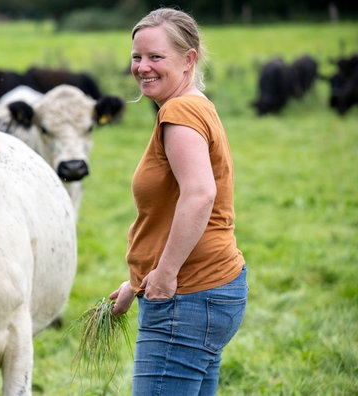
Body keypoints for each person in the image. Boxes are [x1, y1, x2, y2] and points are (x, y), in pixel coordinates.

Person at [108, 8, 248, 396]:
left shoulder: (180, 111)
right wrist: (138, 282)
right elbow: (174, 206)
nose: (143, 67)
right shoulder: (197, 104)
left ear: (189, 59)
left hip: (186, 296)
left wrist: (166, 274)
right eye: (137, 57)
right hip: (210, 289)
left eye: (156, 57)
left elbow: (201, 195)